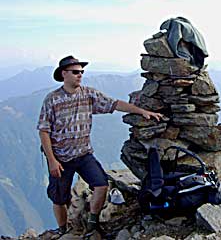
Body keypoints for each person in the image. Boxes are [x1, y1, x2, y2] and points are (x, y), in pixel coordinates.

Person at [37, 55, 163, 235]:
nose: (80, 75)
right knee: (59, 198)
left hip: (83, 154)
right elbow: (43, 130)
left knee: (101, 185)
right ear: (64, 74)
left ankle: (92, 223)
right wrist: (51, 160)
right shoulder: (52, 100)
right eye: (75, 72)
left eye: (81, 72)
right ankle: (63, 230)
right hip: (61, 158)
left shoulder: (88, 94)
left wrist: (141, 111)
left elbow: (114, 104)